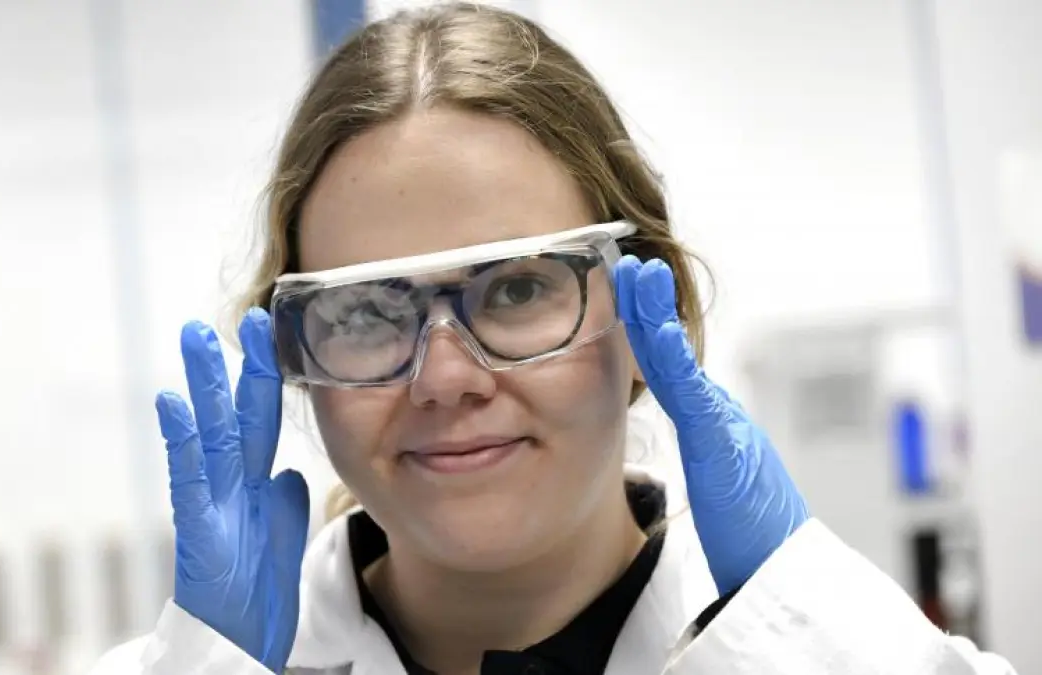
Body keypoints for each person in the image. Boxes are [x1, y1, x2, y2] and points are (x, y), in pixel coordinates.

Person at [90, 4, 1018, 674]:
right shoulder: (195, 663)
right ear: (292, 354)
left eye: (518, 288)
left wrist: (812, 639)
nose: (444, 378)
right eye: (366, 312)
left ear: (650, 309)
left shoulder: (833, 646)